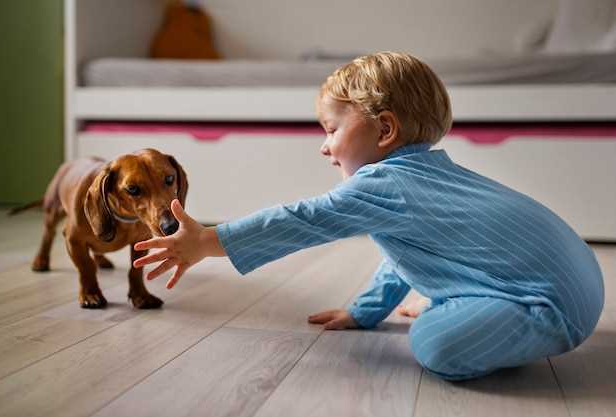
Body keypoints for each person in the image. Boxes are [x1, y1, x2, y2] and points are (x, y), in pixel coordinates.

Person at [132, 52, 604, 381]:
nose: (325, 146)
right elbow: (404, 253)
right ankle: (467, 300)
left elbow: (304, 219)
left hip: (549, 308)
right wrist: (365, 311)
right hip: (580, 283)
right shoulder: (429, 176)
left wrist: (210, 240)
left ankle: (461, 305)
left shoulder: (385, 184)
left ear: (384, 129)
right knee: (434, 300)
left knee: (432, 343)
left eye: (333, 129)